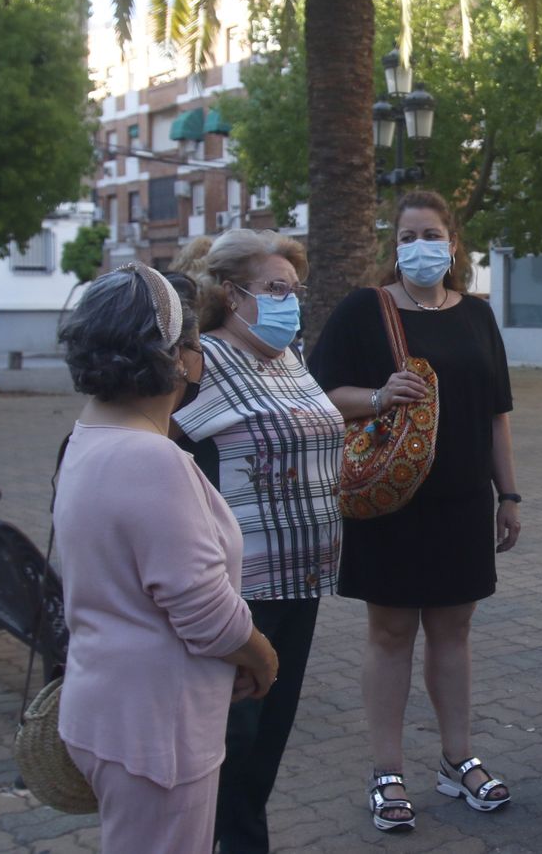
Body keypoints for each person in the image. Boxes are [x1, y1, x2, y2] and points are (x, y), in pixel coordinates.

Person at [309, 190, 520, 834]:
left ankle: (458, 759)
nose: (419, 245)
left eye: (430, 233)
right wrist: (376, 395)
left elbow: (496, 414)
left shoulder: (478, 316)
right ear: (392, 245)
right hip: (388, 501)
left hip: (461, 502)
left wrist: (508, 495)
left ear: (452, 243)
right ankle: (387, 769)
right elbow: (320, 393)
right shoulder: (364, 310)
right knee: (391, 633)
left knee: (454, 633)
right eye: (406, 236)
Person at [54, 263, 279, 854]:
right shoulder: (154, 462)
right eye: (196, 346)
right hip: (157, 728)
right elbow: (207, 615)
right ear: (174, 358)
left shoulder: (90, 436)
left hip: (106, 709)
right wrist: (263, 658)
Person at [169, 229, 345, 854]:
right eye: (275, 290)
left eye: (294, 290)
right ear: (230, 293)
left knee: (268, 739)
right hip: (242, 588)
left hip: (304, 578)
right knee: (235, 738)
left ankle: (244, 840)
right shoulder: (203, 363)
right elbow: (168, 456)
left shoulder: (289, 359)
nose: (288, 302)